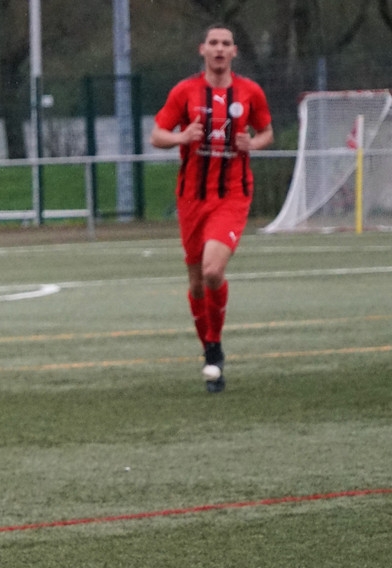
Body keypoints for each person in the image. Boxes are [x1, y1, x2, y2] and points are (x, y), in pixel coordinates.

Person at [150, 24, 273, 392]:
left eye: (226, 44)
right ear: (202, 49)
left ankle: (215, 346)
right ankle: (209, 351)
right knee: (196, 284)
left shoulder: (250, 91)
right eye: (213, 43)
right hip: (191, 198)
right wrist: (180, 137)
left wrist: (254, 142)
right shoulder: (185, 91)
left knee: (212, 271)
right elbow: (157, 134)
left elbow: (266, 132)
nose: (219, 49)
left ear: (234, 52)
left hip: (231, 196)